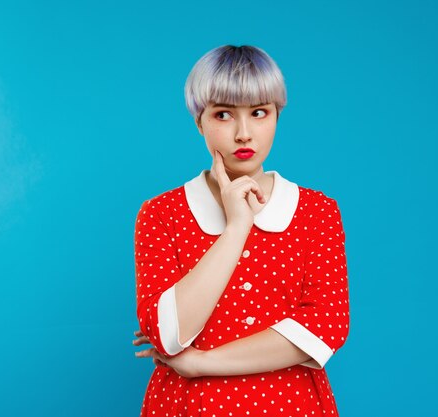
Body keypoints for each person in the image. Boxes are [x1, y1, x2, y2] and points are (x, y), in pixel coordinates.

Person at [132, 44, 350, 417]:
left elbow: (322, 329)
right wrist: (236, 228)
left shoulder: (317, 212)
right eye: (223, 115)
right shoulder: (161, 214)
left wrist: (200, 363)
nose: (244, 133)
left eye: (259, 112)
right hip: (189, 406)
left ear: (277, 117)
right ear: (199, 121)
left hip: (290, 405)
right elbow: (168, 335)